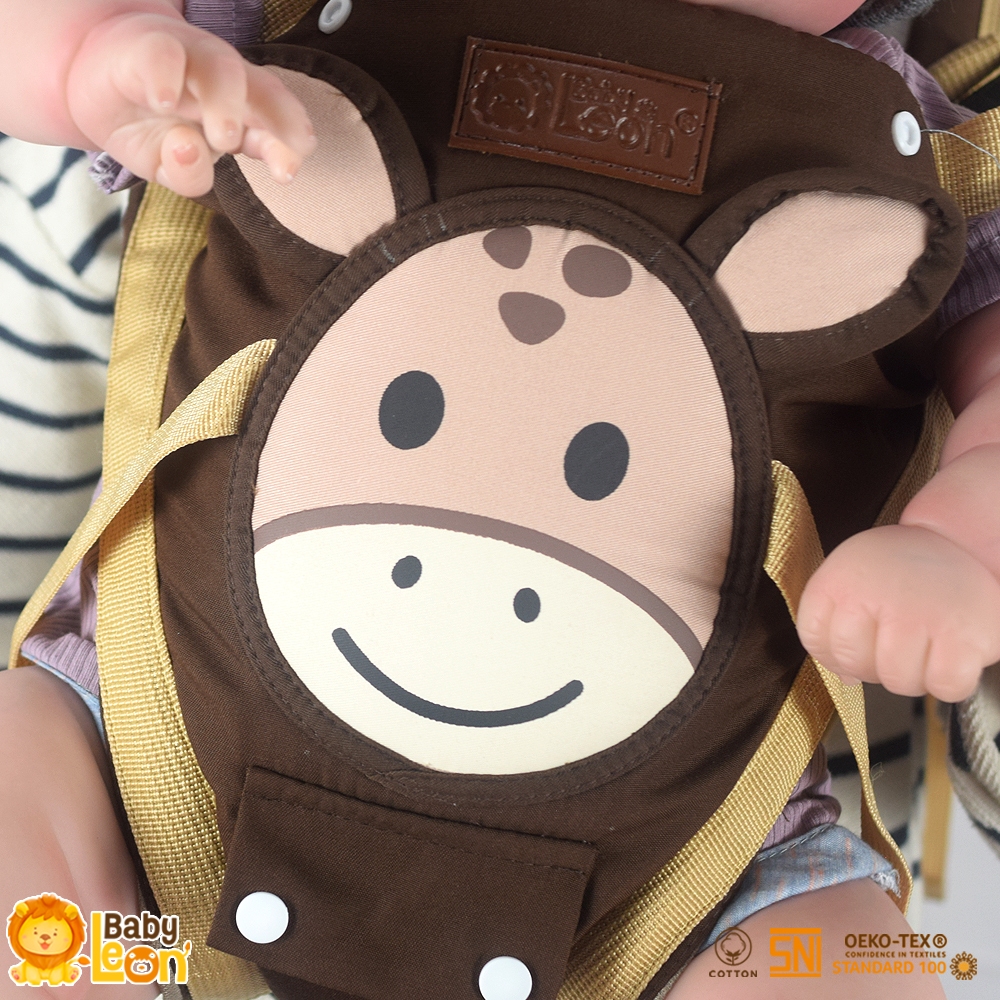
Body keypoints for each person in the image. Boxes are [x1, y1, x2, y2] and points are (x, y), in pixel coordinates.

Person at [0, 1, 996, 997]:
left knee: (842, 968)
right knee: (25, 823)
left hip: (700, 864)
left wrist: (962, 537)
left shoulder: (942, 167)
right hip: (143, 733)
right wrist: (92, 58)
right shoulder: (267, 20)